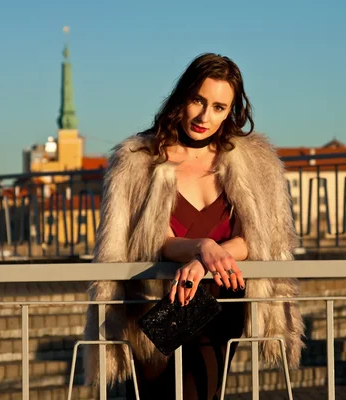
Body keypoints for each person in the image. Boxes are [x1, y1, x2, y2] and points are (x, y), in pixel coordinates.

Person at [84, 53, 304, 400]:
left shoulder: (255, 161)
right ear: (182, 96)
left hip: (218, 299)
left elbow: (262, 238)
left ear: (232, 110)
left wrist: (208, 259)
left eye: (219, 107)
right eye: (198, 100)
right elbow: (145, 240)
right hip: (156, 303)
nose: (205, 116)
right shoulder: (137, 160)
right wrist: (201, 247)